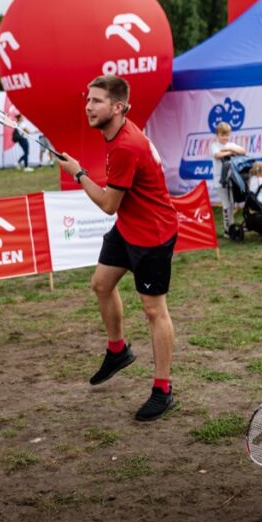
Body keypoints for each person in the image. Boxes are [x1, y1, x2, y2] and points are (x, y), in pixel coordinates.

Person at [56, 75, 179, 422]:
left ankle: (163, 389)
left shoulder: (126, 145)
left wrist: (78, 173)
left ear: (118, 107)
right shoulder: (118, 132)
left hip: (153, 235)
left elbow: (109, 204)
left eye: (96, 101)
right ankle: (118, 350)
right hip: (128, 227)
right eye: (88, 99)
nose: (88, 106)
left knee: (155, 311)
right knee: (101, 284)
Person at [210, 121, 246, 236]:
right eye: (222, 135)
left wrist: (230, 150)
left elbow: (243, 151)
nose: (225, 137)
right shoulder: (214, 145)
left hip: (230, 179)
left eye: (227, 135)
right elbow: (217, 155)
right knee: (226, 205)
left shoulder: (230, 145)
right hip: (220, 181)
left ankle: (231, 226)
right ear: (217, 135)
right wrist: (229, 152)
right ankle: (227, 229)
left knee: (231, 204)